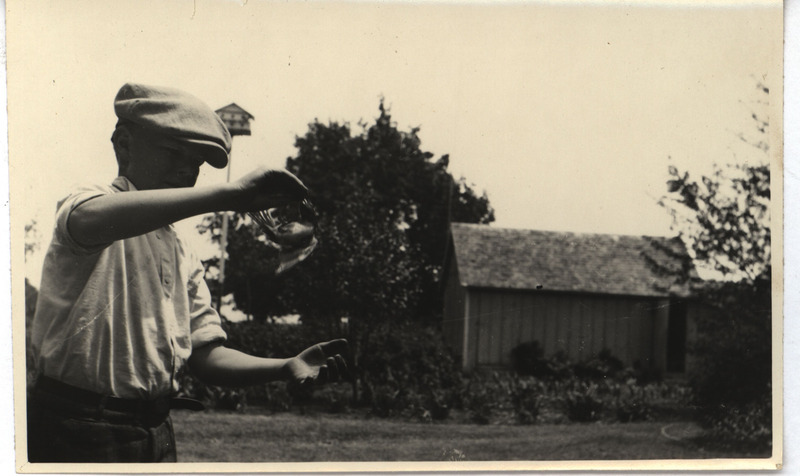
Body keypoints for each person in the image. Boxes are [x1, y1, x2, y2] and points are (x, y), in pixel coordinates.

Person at [27, 83, 349, 463]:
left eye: (196, 163)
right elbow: (90, 218)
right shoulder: (91, 199)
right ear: (124, 144)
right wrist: (229, 196)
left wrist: (285, 366)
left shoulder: (180, 249)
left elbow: (206, 355)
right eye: (174, 151)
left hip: (155, 431)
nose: (187, 169)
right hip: (75, 428)